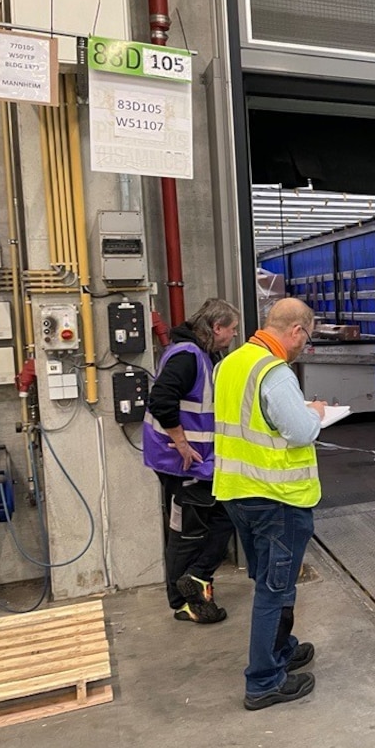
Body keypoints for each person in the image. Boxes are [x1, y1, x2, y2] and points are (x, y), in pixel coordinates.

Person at [213, 298, 327, 711]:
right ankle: (263, 681)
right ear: (296, 330)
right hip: (277, 498)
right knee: (273, 589)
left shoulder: (231, 363)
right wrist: (314, 412)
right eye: (306, 338)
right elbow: (298, 432)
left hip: (237, 492)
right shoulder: (274, 372)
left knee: (271, 580)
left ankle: (281, 650)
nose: (303, 347)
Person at [144, 298, 240, 623]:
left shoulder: (202, 354)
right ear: (216, 328)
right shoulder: (187, 357)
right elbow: (160, 399)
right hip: (182, 462)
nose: (233, 336)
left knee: (201, 522)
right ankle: (184, 599)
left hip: (195, 462)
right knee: (188, 530)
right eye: (232, 330)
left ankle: (194, 586)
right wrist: (181, 443)